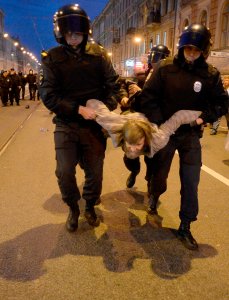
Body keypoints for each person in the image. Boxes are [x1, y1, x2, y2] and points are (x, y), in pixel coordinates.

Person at [136, 24, 229, 250]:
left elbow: (222, 103)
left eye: (196, 50)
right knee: (159, 175)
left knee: (191, 181)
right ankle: (153, 195)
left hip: (190, 136)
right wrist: (160, 122)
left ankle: (186, 226)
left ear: (204, 51)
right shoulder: (164, 68)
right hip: (165, 133)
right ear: (181, 48)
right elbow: (148, 97)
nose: (191, 54)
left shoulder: (211, 74)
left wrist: (202, 118)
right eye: (188, 49)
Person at [39, 4, 119, 233]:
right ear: (61, 33)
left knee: (95, 171)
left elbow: (113, 85)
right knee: (64, 171)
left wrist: (106, 107)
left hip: (94, 126)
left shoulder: (99, 55)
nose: (73, 38)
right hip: (66, 124)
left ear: (85, 33)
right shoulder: (53, 58)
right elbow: (48, 94)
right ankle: (73, 208)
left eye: (78, 33)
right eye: (69, 33)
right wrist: (77, 109)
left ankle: (90, 206)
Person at [118, 45, 170, 190]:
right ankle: (134, 171)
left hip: (156, 124)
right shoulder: (141, 76)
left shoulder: (169, 80)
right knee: (129, 154)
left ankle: (150, 184)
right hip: (137, 121)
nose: (154, 65)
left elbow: (167, 102)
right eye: (153, 62)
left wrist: (141, 92)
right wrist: (124, 97)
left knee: (152, 158)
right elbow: (122, 84)